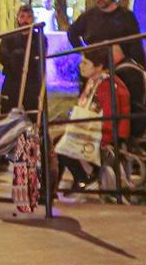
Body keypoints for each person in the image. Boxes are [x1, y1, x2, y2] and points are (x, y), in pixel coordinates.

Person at [53, 46, 130, 191]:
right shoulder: (93, 82)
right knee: (56, 141)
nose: (80, 66)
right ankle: (55, 188)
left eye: (85, 63)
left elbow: (110, 117)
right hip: (91, 129)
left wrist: (105, 139)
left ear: (99, 66)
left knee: (59, 145)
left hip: (104, 134)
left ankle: (81, 178)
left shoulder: (106, 85)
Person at [67, 0, 146, 69]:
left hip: (119, 66)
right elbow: (72, 32)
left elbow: (135, 43)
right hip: (94, 66)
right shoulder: (88, 16)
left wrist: (139, 66)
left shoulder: (126, 16)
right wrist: (83, 51)